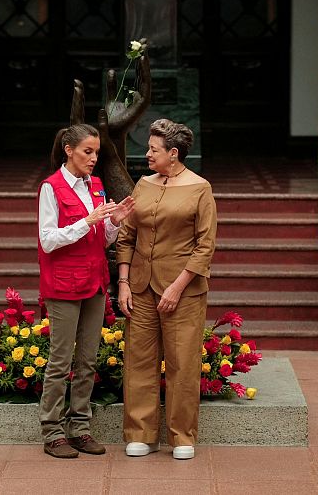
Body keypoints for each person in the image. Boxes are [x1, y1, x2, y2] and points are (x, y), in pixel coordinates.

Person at [116, 118, 217, 460]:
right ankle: (141, 433)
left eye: (153, 150)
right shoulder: (142, 184)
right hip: (141, 288)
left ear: (173, 154)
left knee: (181, 363)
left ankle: (181, 436)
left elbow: (205, 246)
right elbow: (127, 236)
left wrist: (177, 287)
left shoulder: (200, 188)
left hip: (184, 291)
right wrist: (124, 282)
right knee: (139, 360)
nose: (147, 154)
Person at [37, 123, 135, 459]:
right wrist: (87, 221)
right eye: (87, 152)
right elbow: (48, 240)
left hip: (93, 282)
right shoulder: (51, 188)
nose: (93, 159)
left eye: (96, 152)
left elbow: (100, 239)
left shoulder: (95, 185)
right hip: (63, 284)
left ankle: (79, 427)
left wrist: (113, 222)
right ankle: (52, 432)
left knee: (87, 360)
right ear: (68, 149)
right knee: (60, 360)